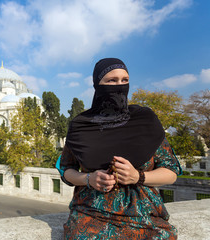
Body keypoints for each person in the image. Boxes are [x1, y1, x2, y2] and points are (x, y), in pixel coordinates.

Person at [56, 58, 181, 239]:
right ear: (97, 85)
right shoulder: (81, 126)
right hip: (91, 210)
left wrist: (138, 176)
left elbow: (171, 172)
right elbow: (66, 170)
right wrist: (89, 178)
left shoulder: (145, 121)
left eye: (124, 80)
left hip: (142, 212)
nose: (120, 85)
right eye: (112, 80)